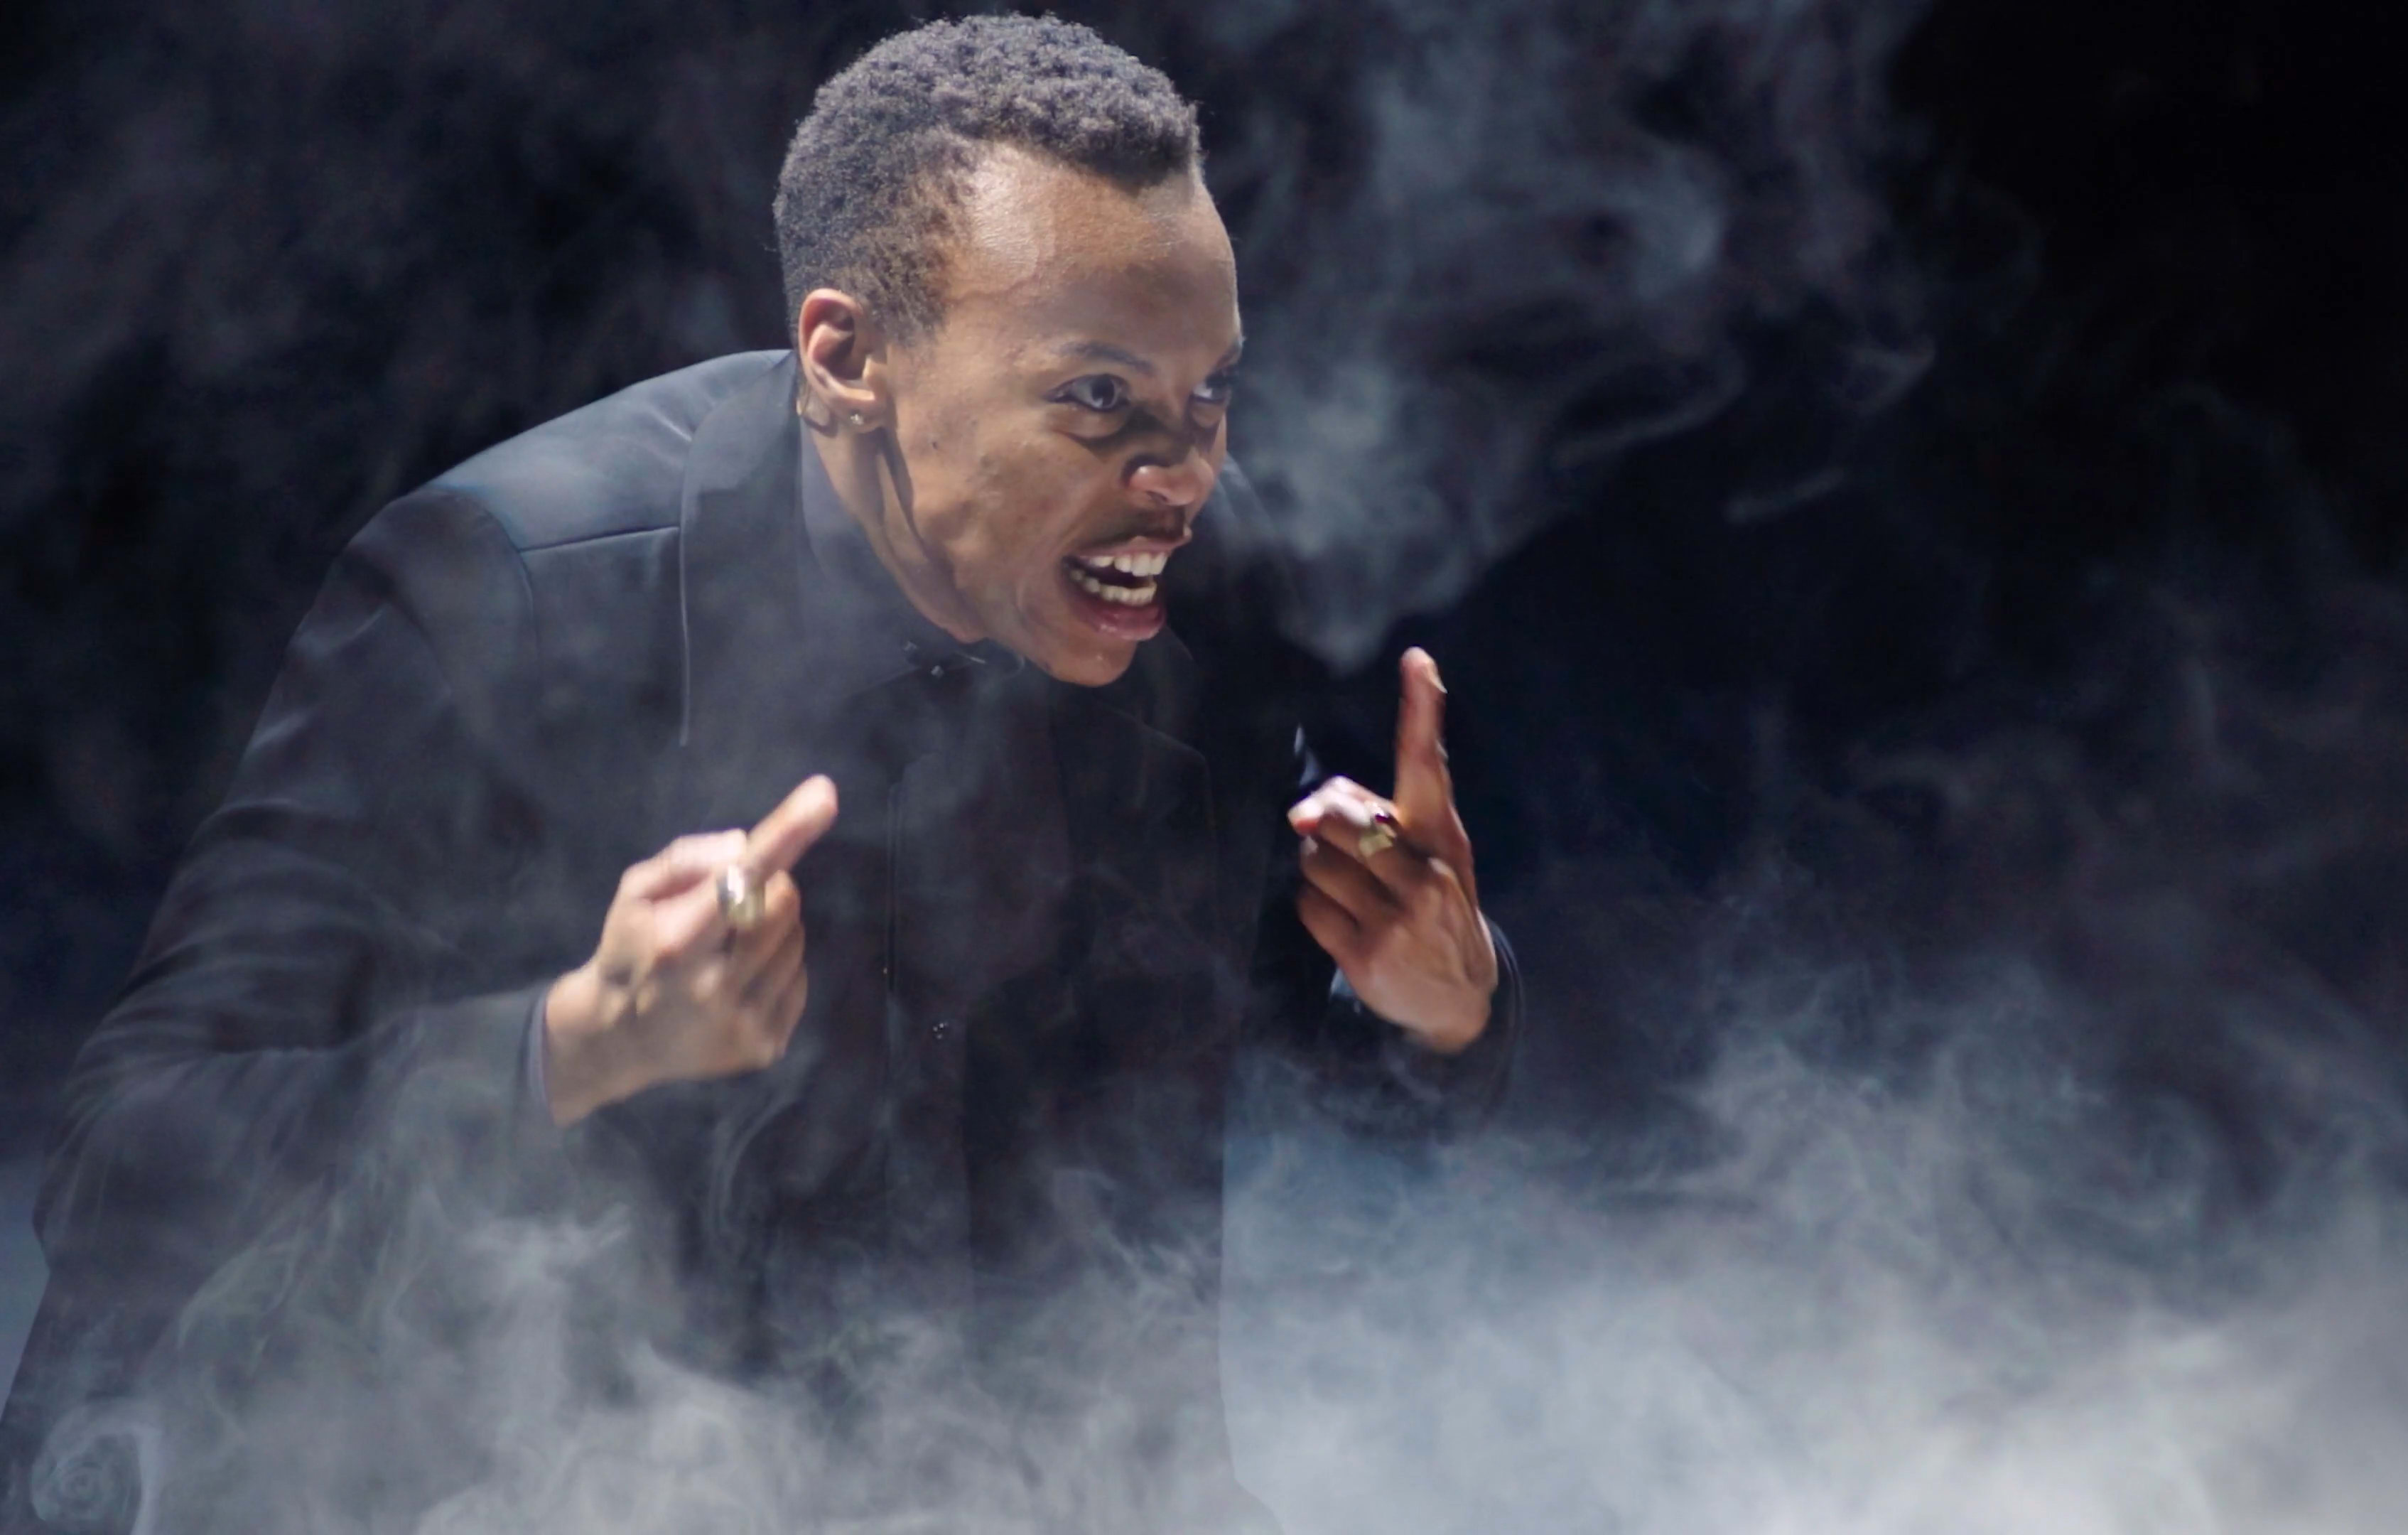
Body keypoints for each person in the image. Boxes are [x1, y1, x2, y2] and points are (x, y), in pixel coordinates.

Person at [0, 17, 1517, 1533]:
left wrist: (1441, 1006)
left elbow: (1328, 1082)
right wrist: (563, 1050)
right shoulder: (505, 600)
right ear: (848, 358)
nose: (1184, 476)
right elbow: (119, 1161)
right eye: (1101, 398)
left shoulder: (1180, 598)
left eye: (1211, 395)